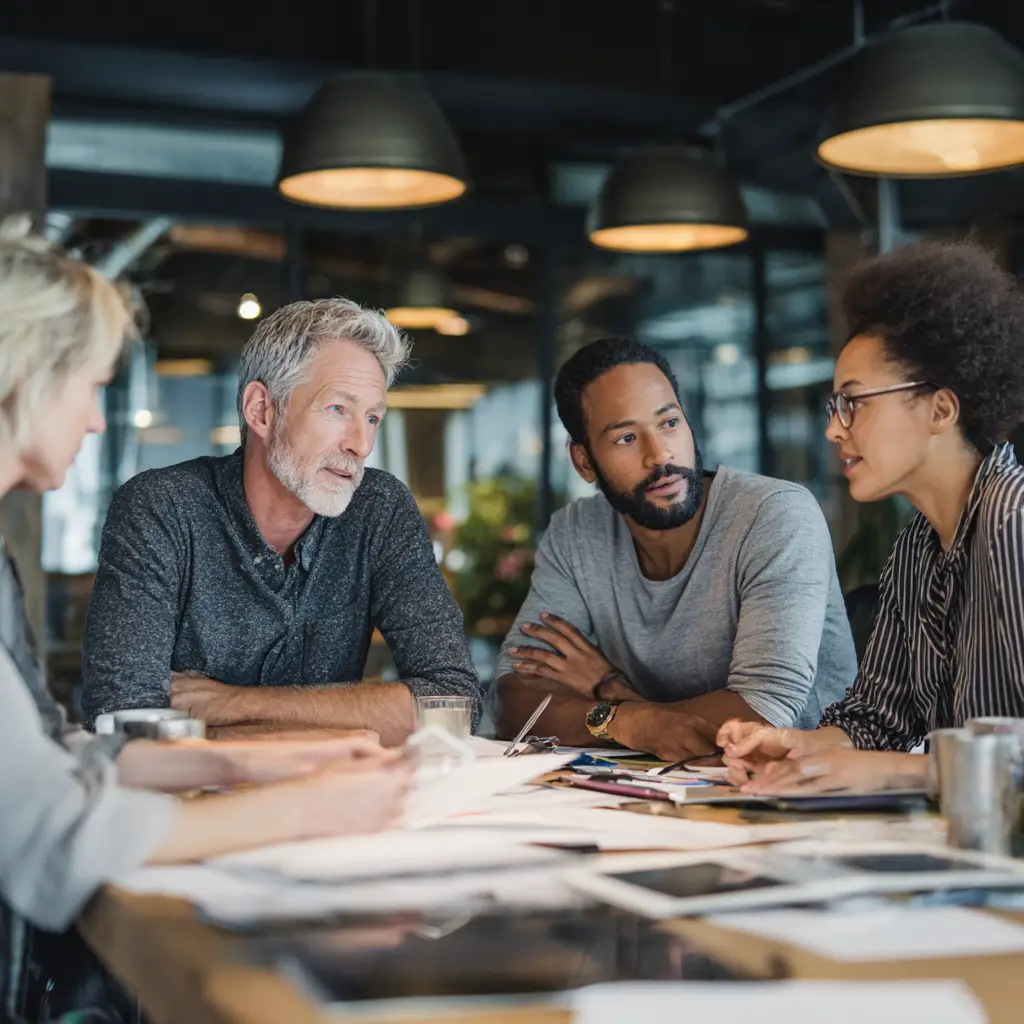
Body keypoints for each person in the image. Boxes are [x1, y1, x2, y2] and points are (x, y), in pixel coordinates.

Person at [0, 220, 411, 1020]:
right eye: (90, 385)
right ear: (24, 375)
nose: (94, 419)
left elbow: (47, 759)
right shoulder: (162, 507)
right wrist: (304, 807)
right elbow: (51, 829)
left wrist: (244, 763)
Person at [81, 297, 480, 746]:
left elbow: (454, 706)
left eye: (372, 418)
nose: (361, 444)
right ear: (262, 411)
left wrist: (236, 704)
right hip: (194, 809)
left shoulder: (379, 509)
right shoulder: (163, 508)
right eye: (338, 410)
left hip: (339, 804)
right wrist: (351, 722)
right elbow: (123, 723)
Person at [719, 241, 1024, 794]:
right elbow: (877, 720)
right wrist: (797, 747)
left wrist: (894, 770)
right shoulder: (916, 547)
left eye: (854, 403)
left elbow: (908, 757)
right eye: (835, 407)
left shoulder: (1015, 524)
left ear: (940, 409)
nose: (835, 429)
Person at [493, 336, 857, 760]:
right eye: (626, 438)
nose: (660, 454)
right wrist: (627, 720)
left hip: (805, 793)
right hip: (669, 793)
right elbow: (513, 701)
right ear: (584, 462)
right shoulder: (576, 533)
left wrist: (619, 701)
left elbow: (761, 714)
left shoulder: (773, 515)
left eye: (669, 423)